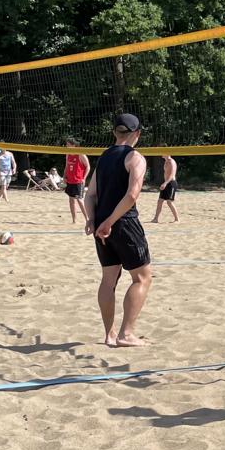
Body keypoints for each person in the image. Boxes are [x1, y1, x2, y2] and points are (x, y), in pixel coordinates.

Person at [85, 113, 152, 346]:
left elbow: (90, 194)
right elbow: (132, 195)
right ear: (137, 133)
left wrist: (92, 220)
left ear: (114, 132)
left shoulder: (103, 157)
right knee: (142, 278)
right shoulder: (135, 157)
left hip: (101, 223)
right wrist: (111, 221)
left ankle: (109, 334)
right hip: (123, 223)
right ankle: (126, 334)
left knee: (108, 279)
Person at [63, 139, 90, 224]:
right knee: (71, 201)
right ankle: (74, 220)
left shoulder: (80, 154)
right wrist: (64, 176)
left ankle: (87, 219)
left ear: (73, 145)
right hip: (70, 180)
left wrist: (84, 178)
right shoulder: (68, 154)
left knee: (79, 200)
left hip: (78, 181)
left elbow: (88, 167)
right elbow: (66, 166)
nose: (66, 146)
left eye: (68, 144)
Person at [151, 153, 179, 223]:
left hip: (171, 183)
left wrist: (165, 183)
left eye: (163, 152)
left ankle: (177, 219)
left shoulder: (171, 161)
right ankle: (156, 219)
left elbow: (172, 174)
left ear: (167, 153)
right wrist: (165, 183)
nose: (161, 153)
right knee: (160, 201)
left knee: (169, 202)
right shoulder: (166, 161)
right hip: (166, 183)